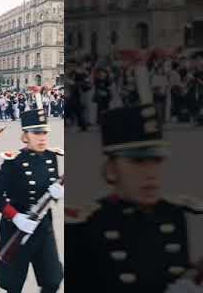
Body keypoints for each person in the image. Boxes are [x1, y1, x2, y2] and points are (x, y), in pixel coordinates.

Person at [65, 104, 203, 292]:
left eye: (157, 161)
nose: (151, 174)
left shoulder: (173, 214)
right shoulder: (86, 226)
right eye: (137, 161)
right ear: (111, 169)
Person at [0, 102, 64, 293]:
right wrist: (16, 217)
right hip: (16, 226)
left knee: (53, 279)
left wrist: (57, 194)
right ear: (25, 136)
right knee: (13, 285)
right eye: (36, 133)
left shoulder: (51, 157)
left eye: (44, 132)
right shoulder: (14, 161)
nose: (42, 137)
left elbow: (48, 194)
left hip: (43, 225)